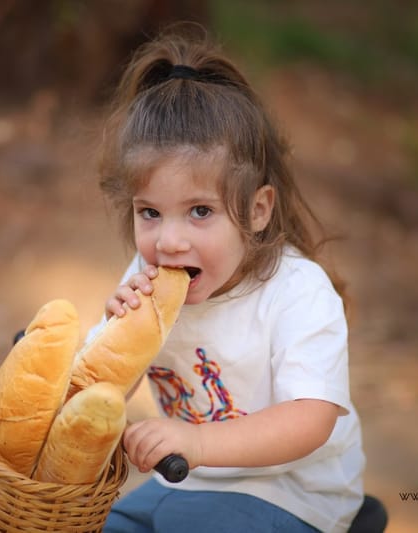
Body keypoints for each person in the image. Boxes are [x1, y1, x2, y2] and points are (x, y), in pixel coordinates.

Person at [89, 24, 369, 533]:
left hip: (293, 492)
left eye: (199, 211)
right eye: (150, 212)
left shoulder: (296, 292)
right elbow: (99, 398)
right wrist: (113, 341)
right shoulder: (145, 278)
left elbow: (311, 418)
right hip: (187, 482)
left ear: (258, 209)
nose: (169, 241)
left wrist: (196, 442)